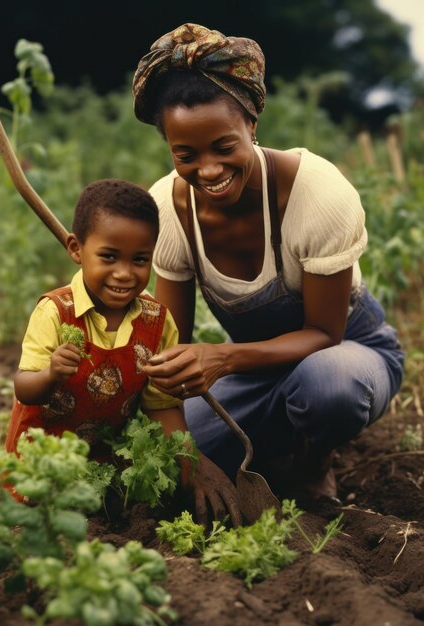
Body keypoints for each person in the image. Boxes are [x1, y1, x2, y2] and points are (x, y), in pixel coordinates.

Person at [132, 23, 405, 505]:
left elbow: (325, 333)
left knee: (328, 389)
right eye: (186, 155)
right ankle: (274, 440)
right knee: (168, 444)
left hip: (346, 351)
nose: (209, 170)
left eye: (224, 147)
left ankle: (314, 461)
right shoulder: (168, 210)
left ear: (252, 125)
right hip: (258, 372)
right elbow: (171, 338)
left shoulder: (315, 193)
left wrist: (221, 357)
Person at [5, 178, 241, 524]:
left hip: (107, 469)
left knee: (114, 514)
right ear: (75, 249)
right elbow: (24, 389)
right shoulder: (56, 312)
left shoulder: (157, 322)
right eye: (108, 257)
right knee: (42, 521)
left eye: (139, 260)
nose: (124, 274)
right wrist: (51, 374)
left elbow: (163, 408)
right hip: (41, 462)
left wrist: (191, 468)